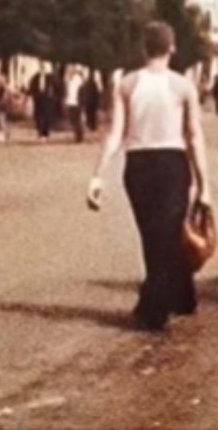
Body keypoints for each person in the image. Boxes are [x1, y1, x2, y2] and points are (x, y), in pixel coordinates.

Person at [88, 22, 211, 331]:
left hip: (138, 164)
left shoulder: (127, 84)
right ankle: (159, 304)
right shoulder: (183, 87)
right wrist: (204, 184)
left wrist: (98, 176)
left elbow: (115, 134)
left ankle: (169, 297)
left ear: (144, 48)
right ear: (172, 48)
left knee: (153, 235)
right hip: (172, 162)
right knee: (167, 234)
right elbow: (195, 137)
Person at [28, 66, 56, 141]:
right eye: (40, 69)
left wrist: (53, 97)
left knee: (47, 117)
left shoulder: (50, 78)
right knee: (38, 117)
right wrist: (31, 96)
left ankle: (45, 133)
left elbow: (56, 88)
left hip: (47, 100)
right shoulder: (35, 78)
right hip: (38, 100)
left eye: (43, 69)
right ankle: (39, 132)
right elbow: (31, 88)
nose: (42, 70)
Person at [64, 69, 86, 143]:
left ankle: (79, 136)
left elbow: (77, 93)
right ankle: (78, 135)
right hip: (73, 102)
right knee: (75, 120)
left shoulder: (76, 80)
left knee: (75, 120)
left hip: (75, 103)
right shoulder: (73, 80)